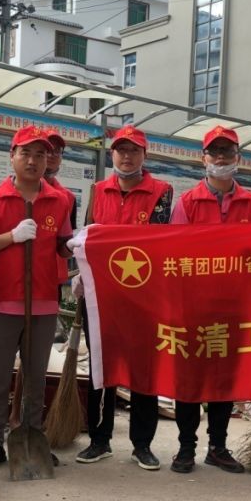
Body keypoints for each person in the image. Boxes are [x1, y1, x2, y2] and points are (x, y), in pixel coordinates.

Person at [0, 125, 74, 470]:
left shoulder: (61, 200)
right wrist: (11, 237)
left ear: (49, 160)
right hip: (2, 301)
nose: (33, 161)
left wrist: (77, 245)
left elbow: (62, 245)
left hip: (44, 301)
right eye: (25, 153)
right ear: (12, 156)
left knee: (34, 376)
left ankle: (33, 436)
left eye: (40, 154)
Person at [73, 125, 173, 470]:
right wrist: (80, 275)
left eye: (134, 151)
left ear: (144, 155)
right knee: (101, 367)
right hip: (101, 297)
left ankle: (142, 444)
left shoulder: (162, 191)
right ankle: (99, 440)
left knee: (144, 370)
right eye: (121, 150)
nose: (127, 157)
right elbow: (87, 235)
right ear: (112, 154)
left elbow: (158, 244)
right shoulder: (97, 190)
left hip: (143, 298)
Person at [168, 126, 251, 474]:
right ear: (203, 158)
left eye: (227, 151)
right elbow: (175, 253)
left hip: (233, 307)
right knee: (188, 380)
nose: (220, 157)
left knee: (225, 379)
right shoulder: (188, 202)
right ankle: (185, 448)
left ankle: (218, 447)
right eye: (214, 151)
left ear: (238, 157)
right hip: (194, 306)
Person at [44, 130, 79, 230]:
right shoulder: (23, 189)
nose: (51, 155)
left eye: (57, 151)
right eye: (48, 150)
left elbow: (68, 236)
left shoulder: (69, 198)